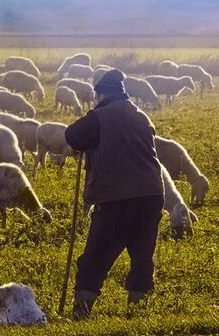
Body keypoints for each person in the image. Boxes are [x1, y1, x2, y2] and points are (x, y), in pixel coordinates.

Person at [63, 69, 165, 320]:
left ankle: (81, 312)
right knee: (142, 256)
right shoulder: (140, 115)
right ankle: (137, 314)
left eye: (96, 95)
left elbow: (73, 135)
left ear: (102, 95)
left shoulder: (101, 116)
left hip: (117, 196)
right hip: (151, 195)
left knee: (96, 255)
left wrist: (93, 114)